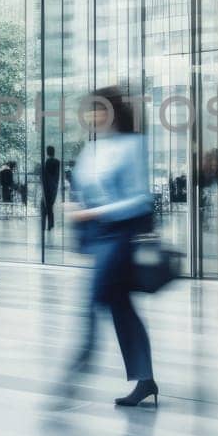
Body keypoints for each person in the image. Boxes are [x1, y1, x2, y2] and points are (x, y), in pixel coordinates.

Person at [59, 86, 158, 408]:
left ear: (113, 111)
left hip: (118, 238)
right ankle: (145, 380)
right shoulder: (93, 149)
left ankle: (75, 371)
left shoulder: (133, 145)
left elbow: (141, 200)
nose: (92, 116)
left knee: (93, 301)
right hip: (97, 238)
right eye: (89, 110)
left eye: (98, 109)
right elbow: (84, 189)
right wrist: (76, 207)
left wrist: (94, 211)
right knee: (120, 307)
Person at [42, 146, 61, 231]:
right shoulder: (57, 162)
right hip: (54, 187)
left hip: (48, 187)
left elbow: (46, 176)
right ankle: (51, 223)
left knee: (45, 205)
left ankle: (48, 224)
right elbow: (56, 175)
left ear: (47, 152)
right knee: (50, 205)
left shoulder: (47, 162)